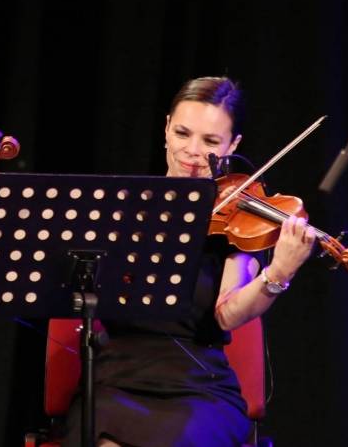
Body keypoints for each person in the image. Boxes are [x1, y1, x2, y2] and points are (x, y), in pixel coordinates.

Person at [65, 76, 316, 447]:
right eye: (183, 133)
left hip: (199, 387)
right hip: (114, 379)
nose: (193, 151)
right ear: (166, 129)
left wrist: (279, 272)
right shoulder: (121, 207)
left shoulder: (236, 224)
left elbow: (228, 315)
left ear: (233, 145)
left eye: (211, 141)